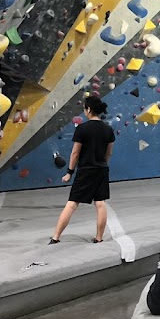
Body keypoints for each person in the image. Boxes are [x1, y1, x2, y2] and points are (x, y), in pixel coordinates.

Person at [49, 94, 115, 244]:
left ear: (89, 109)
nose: (84, 111)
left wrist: (69, 172)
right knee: (100, 203)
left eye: (85, 109)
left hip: (86, 170)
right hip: (101, 170)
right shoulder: (108, 129)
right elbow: (109, 152)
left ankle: (56, 237)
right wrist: (102, 165)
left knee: (72, 203)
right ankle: (99, 238)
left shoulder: (82, 129)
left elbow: (75, 153)